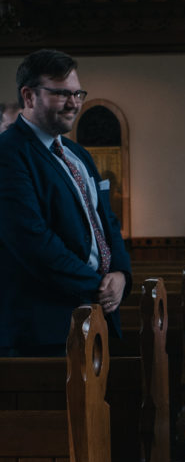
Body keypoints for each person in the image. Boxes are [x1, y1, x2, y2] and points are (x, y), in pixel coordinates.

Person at [0, 48, 131, 355]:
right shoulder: (8, 153)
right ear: (29, 97)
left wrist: (122, 274)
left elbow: (107, 222)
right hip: (44, 329)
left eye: (78, 93)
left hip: (95, 314)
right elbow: (31, 240)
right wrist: (98, 285)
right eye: (61, 94)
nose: (74, 103)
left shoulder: (78, 154)